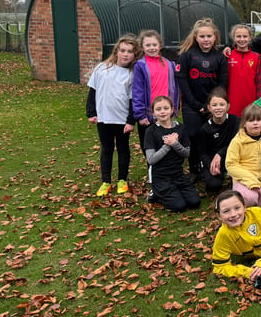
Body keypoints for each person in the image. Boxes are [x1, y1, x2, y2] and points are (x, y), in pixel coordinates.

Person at [86, 34, 140, 196]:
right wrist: (91, 112)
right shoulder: (102, 68)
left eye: (129, 51)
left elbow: (133, 100)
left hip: (122, 120)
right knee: (107, 148)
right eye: (122, 50)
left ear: (134, 55)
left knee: (123, 149)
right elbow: (92, 91)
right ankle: (105, 181)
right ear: (116, 51)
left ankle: (122, 180)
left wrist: (131, 121)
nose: (125, 54)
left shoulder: (132, 74)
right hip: (104, 118)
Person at [176, 18, 229, 179]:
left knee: (211, 136)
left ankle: (210, 166)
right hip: (191, 105)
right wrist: (194, 104)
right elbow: (182, 80)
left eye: (209, 36)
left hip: (212, 106)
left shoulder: (220, 58)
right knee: (193, 135)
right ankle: (194, 169)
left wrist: (210, 106)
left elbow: (222, 83)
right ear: (196, 38)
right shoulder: (187, 56)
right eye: (202, 37)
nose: (206, 40)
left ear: (215, 37)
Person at [144, 95, 201, 212]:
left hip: (178, 174)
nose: (162, 112)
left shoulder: (181, 128)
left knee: (195, 202)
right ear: (153, 112)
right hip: (161, 176)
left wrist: (175, 144)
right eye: (158, 109)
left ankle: (175, 190)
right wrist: (167, 145)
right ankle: (156, 192)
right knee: (179, 206)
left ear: (172, 110)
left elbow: (186, 153)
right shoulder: (151, 131)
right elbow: (151, 159)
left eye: (166, 108)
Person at [132, 29, 179, 153]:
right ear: (142, 47)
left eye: (154, 45)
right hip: (149, 115)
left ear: (160, 45)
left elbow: (174, 87)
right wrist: (140, 115)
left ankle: (166, 170)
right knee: (150, 146)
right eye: (148, 45)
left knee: (167, 143)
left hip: (166, 112)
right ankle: (152, 169)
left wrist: (175, 108)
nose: (151, 48)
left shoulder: (169, 64)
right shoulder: (140, 65)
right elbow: (137, 91)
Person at [196, 87, 240, 195]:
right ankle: (205, 174)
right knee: (213, 186)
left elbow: (236, 142)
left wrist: (220, 154)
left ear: (228, 106)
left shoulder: (235, 121)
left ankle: (231, 177)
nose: (218, 108)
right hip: (213, 159)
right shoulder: (205, 129)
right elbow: (202, 152)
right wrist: (211, 164)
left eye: (222, 104)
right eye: (214, 105)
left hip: (232, 156)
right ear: (209, 108)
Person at [226, 24, 261, 117]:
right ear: (233, 38)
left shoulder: (256, 57)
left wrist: (259, 101)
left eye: (245, 36)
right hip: (231, 104)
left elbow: (259, 81)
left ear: (250, 38)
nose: (242, 39)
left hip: (251, 103)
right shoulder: (228, 56)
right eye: (238, 36)